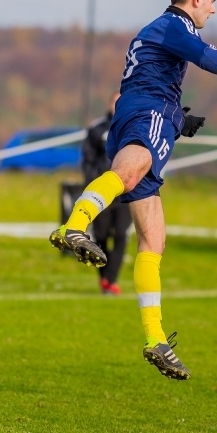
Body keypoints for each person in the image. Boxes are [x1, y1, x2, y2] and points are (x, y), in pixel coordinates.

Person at [48, 0, 217, 380]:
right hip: (146, 114)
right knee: (132, 170)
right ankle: (75, 225)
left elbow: (147, 79)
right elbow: (207, 57)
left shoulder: (160, 30)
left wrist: (179, 119)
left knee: (153, 238)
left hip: (146, 113)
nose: (212, 10)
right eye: (212, 2)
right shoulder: (175, 25)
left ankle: (155, 338)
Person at [81, 92, 132, 295]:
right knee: (100, 236)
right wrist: (93, 182)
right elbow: (87, 159)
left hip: (125, 193)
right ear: (110, 104)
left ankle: (111, 280)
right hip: (102, 194)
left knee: (121, 235)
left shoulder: (135, 129)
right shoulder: (97, 129)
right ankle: (105, 279)